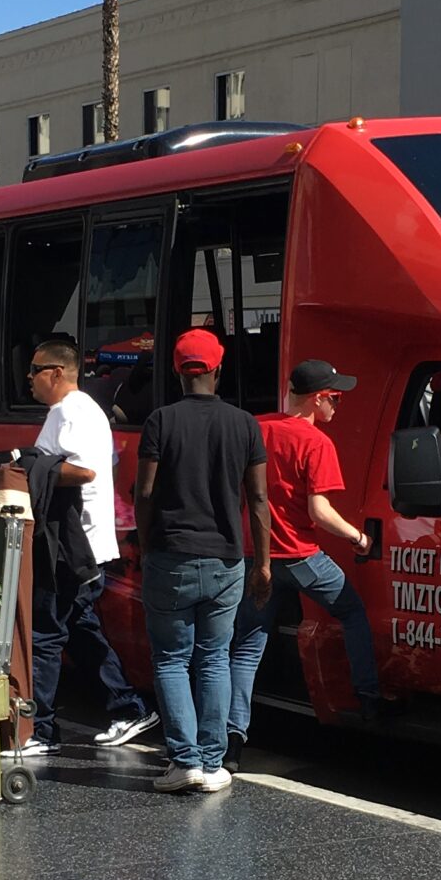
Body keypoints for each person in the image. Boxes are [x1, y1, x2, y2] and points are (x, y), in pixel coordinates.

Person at [134, 329, 271, 796]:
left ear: (176, 369)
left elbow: (146, 491)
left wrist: (147, 543)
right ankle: (213, 764)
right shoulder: (244, 424)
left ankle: (184, 761)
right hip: (227, 560)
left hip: (171, 555)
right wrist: (263, 564)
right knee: (214, 659)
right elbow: (257, 499)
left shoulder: (160, 421)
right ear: (218, 368)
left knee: (172, 660)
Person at [227, 357, 381, 758]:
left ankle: (232, 738)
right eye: (334, 397)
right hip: (299, 556)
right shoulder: (316, 442)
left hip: (252, 556)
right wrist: (359, 537)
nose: (337, 405)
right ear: (317, 399)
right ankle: (368, 697)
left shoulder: (255, 428)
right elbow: (319, 512)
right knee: (351, 611)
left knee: (247, 645)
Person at [25, 334, 157, 755]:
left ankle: (40, 731)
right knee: (80, 629)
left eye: (34, 370)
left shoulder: (70, 411)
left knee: (46, 633)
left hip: (71, 542)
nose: (28, 379)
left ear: (57, 373)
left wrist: (31, 467)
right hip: (87, 542)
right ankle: (128, 708)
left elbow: (83, 472)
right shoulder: (88, 411)